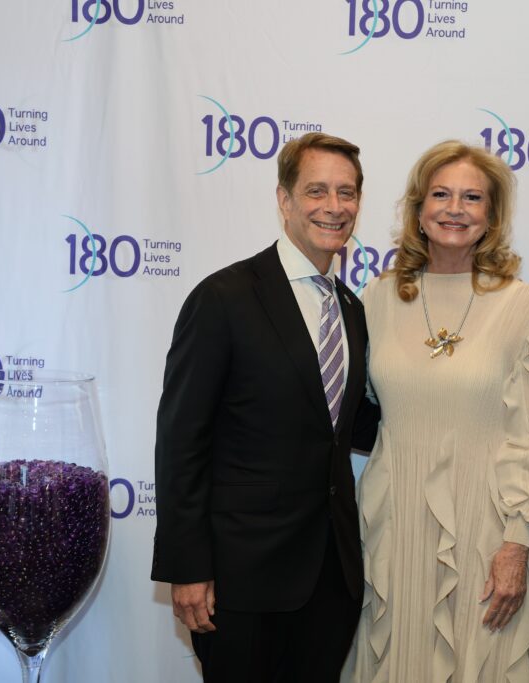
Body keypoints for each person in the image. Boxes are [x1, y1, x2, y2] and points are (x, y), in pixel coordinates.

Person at [152, 132, 379, 682]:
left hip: (332, 576)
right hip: (240, 580)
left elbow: (348, 428)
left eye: (346, 193)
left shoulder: (351, 308)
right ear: (284, 200)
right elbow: (181, 440)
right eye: (316, 190)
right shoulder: (224, 298)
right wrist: (187, 569)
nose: (333, 206)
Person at [345, 141, 529, 682]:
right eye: (441, 195)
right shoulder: (374, 299)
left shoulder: (524, 306)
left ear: (491, 216)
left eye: (473, 197)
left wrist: (516, 544)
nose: (455, 208)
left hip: (487, 535)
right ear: (418, 210)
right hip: (393, 531)